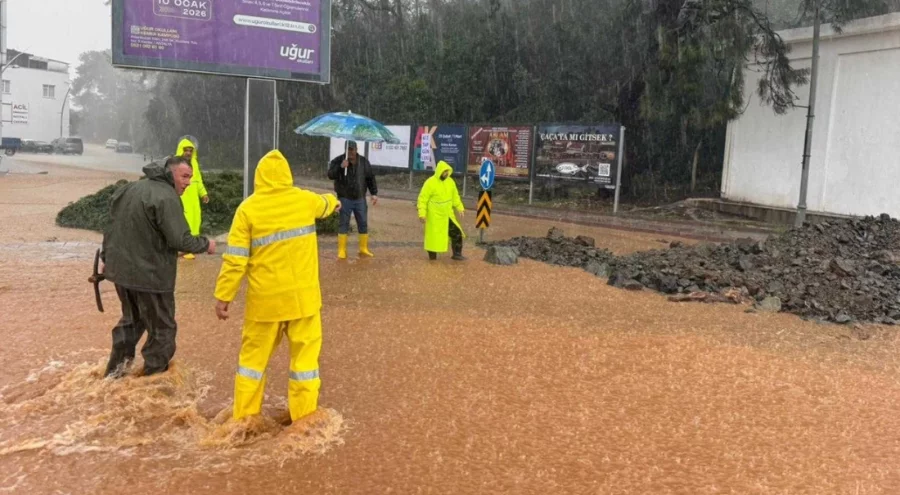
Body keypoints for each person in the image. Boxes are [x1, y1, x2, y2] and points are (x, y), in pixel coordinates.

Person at [214, 150, 340, 423]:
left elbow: (235, 260)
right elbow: (326, 203)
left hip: (265, 303)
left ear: (258, 177)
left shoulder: (248, 209)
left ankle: (244, 422)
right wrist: (335, 201)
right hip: (303, 301)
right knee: (305, 366)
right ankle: (304, 423)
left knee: (251, 365)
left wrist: (224, 296)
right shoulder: (304, 200)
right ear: (287, 175)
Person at [101, 156, 216, 378]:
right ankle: (154, 383)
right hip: (151, 277)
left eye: (191, 178)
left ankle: (113, 377)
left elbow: (112, 227)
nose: (188, 182)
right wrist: (206, 244)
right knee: (162, 330)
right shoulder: (166, 196)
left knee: (131, 323)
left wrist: (107, 257)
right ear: (170, 172)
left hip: (122, 274)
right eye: (184, 176)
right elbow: (180, 240)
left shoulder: (128, 189)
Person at [327, 141, 378, 259]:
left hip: (360, 198)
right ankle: (341, 250)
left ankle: (363, 248)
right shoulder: (338, 160)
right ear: (345, 149)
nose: (350, 152)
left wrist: (374, 193)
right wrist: (340, 167)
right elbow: (330, 175)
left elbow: (370, 178)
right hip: (344, 198)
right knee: (343, 223)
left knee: (363, 223)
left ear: (356, 149)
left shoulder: (364, 162)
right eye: (348, 149)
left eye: (352, 149)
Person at [417, 161, 466, 261]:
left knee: (456, 232)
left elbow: (455, 197)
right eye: (444, 171)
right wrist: (422, 214)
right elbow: (422, 199)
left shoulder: (450, 182)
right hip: (434, 216)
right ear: (439, 171)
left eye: (447, 171)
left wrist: (460, 208)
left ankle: (457, 254)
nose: (446, 173)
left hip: (447, 215)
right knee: (433, 237)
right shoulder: (430, 183)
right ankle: (432, 257)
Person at [176, 137, 209, 260]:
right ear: (181, 150)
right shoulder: (176, 164)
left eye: (190, 150)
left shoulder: (194, 164)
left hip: (194, 200)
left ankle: (191, 247)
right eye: (186, 150)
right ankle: (182, 247)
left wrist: (203, 194)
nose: (188, 153)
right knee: (184, 221)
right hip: (182, 198)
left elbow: (198, 181)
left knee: (195, 220)